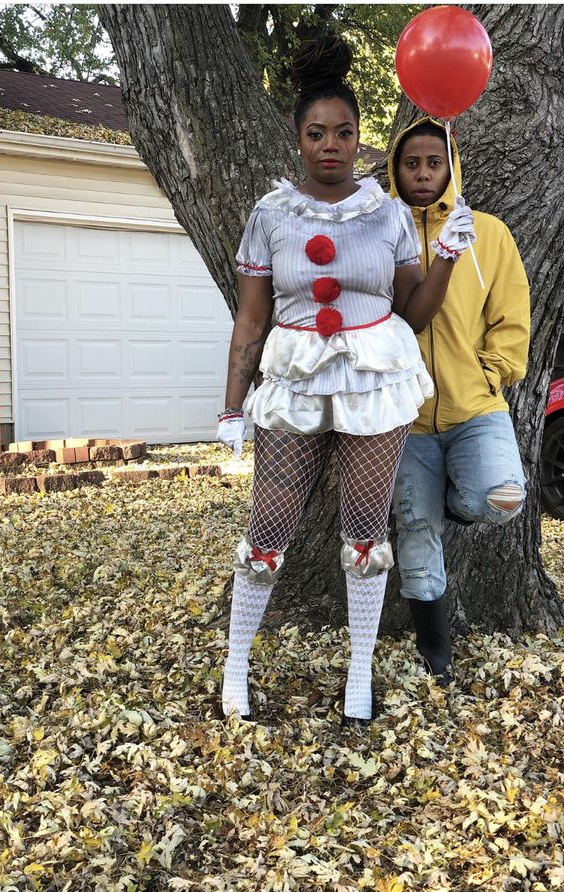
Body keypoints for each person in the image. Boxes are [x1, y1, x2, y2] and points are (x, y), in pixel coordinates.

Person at [217, 33, 477, 726]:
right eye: (315, 133)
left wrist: (446, 258)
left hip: (371, 382)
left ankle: (358, 671)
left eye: (344, 132)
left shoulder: (387, 212)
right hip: (296, 379)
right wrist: (230, 409)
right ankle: (236, 663)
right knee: (269, 528)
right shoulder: (271, 216)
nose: (330, 144)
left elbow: (414, 313)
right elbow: (250, 321)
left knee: (365, 531)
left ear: (360, 138)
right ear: (297, 138)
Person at [388, 118, 530, 683]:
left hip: (476, 408)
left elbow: (511, 317)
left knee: (502, 499)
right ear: (396, 171)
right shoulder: (384, 231)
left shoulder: (487, 234)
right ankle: (436, 650)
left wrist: (491, 374)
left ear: (451, 168)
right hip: (406, 418)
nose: (423, 175)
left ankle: (452, 493)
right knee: (415, 533)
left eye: (433, 163)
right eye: (411, 164)